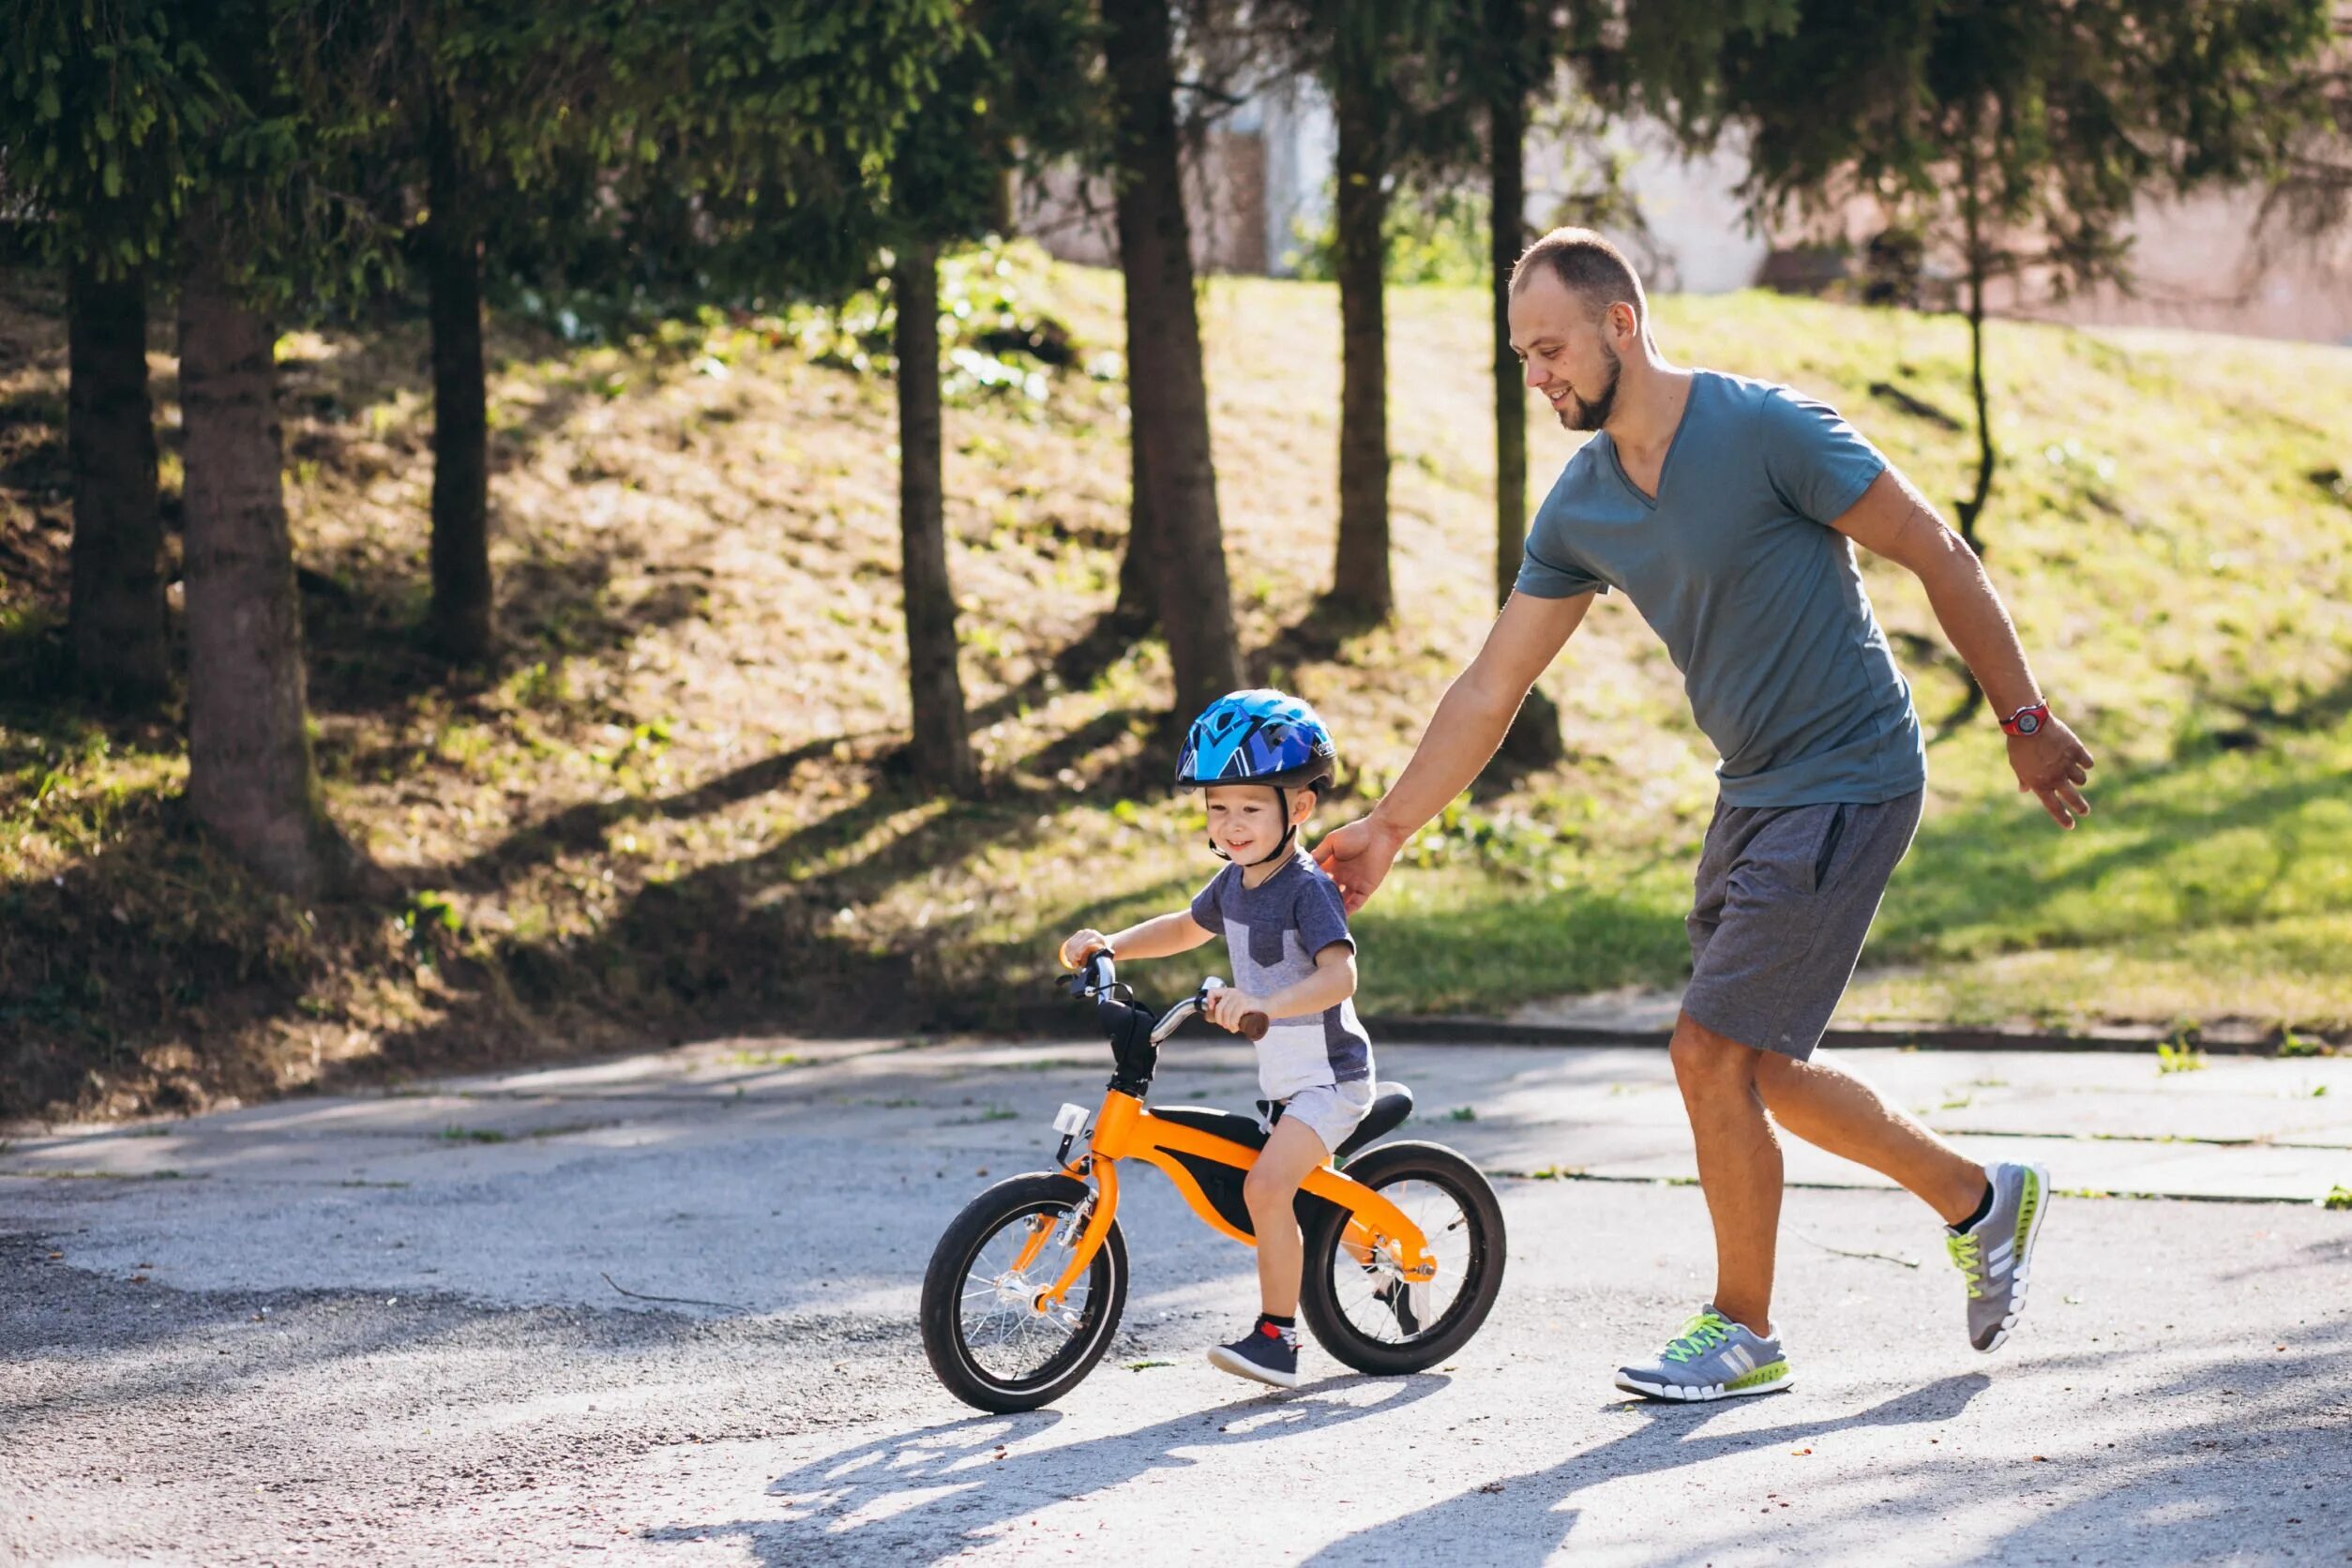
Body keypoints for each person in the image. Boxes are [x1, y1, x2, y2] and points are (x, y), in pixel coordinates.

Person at [1315, 228, 2096, 1402]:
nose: (1540, 377)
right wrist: (1391, 824)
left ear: (1621, 324)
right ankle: (1981, 1200)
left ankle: (1745, 1329)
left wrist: (2024, 722)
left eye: (1553, 349)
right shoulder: (1583, 505)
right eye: (1523, 357)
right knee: (1758, 1069)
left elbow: (1934, 548)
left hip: (1852, 770)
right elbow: (1494, 684)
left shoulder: (1768, 430)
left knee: (1707, 1051)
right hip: (1756, 788)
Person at [1060, 689, 1377, 1389]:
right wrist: (1111, 944)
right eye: (1217, 808)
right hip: (1285, 1082)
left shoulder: (1305, 889)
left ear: (1298, 808)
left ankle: (1278, 1339)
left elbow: (1340, 977)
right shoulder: (1235, 883)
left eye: (1250, 808)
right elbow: (1182, 927)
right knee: (1281, 1190)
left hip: (1333, 1078)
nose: (1231, 825)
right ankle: (1360, 1249)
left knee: (1266, 1189)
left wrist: (1265, 1002)